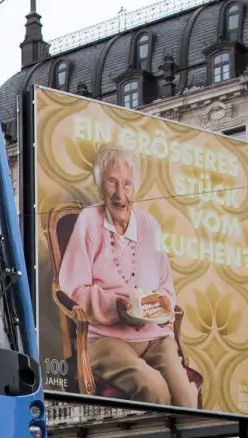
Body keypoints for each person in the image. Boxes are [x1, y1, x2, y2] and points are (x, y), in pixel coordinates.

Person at [57, 145, 199, 409]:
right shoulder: (89, 220)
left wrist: (160, 305)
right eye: (111, 182)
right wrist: (116, 307)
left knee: (187, 400)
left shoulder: (150, 225)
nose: (120, 194)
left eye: (127, 184)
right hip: (105, 338)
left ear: (136, 188)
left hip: (154, 336)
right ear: (100, 186)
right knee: (154, 389)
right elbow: (73, 288)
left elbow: (165, 287)